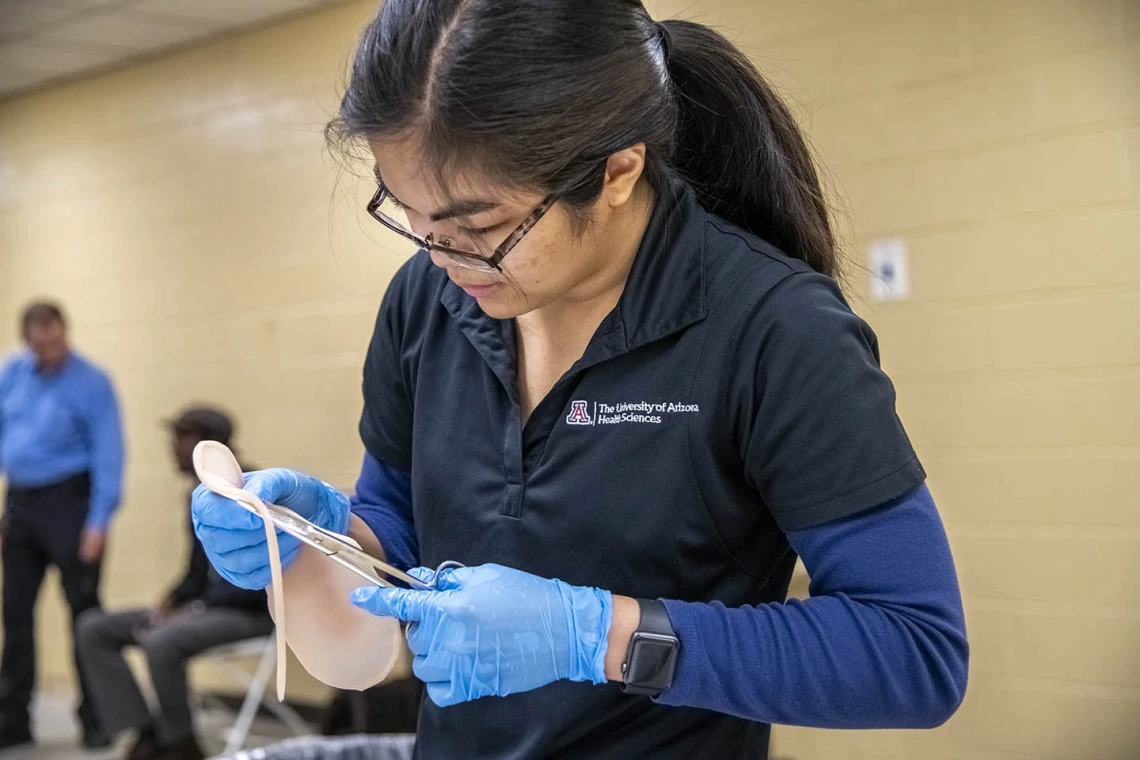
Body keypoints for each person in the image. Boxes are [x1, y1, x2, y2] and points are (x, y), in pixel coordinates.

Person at [191, 2, 970, 758]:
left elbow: (913, 652)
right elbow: (397, 518)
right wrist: (318, 545)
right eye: (412, 218)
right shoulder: (425, 302)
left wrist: (599, 635)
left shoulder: (773, 329)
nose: (444, 261)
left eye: (483, 229)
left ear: (618, 171)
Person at [78, 407, 272, 760]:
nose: (173, 449)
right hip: (206, 608)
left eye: (182, 440)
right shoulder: (197, 494)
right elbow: (197, 574)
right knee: (94, 628)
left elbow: (256, 583)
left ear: (210, 445)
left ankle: (182, 745)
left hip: (253, 612)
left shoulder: (252, 489)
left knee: (161, 640)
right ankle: (148, 731)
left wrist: (192, 610)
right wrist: (170, 601)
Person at [0, 301, 123, 751]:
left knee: (83, 615)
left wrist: (99, 521)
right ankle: (12, 718)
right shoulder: (11, 375)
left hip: (71, 503)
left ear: (64, 331)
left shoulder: (92, 382)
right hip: (21, 503)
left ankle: (94, 717)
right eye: (37, 341)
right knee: (15, 616)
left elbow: (109, 453)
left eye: (52, 338)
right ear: (27, 339)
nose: (46, 349)